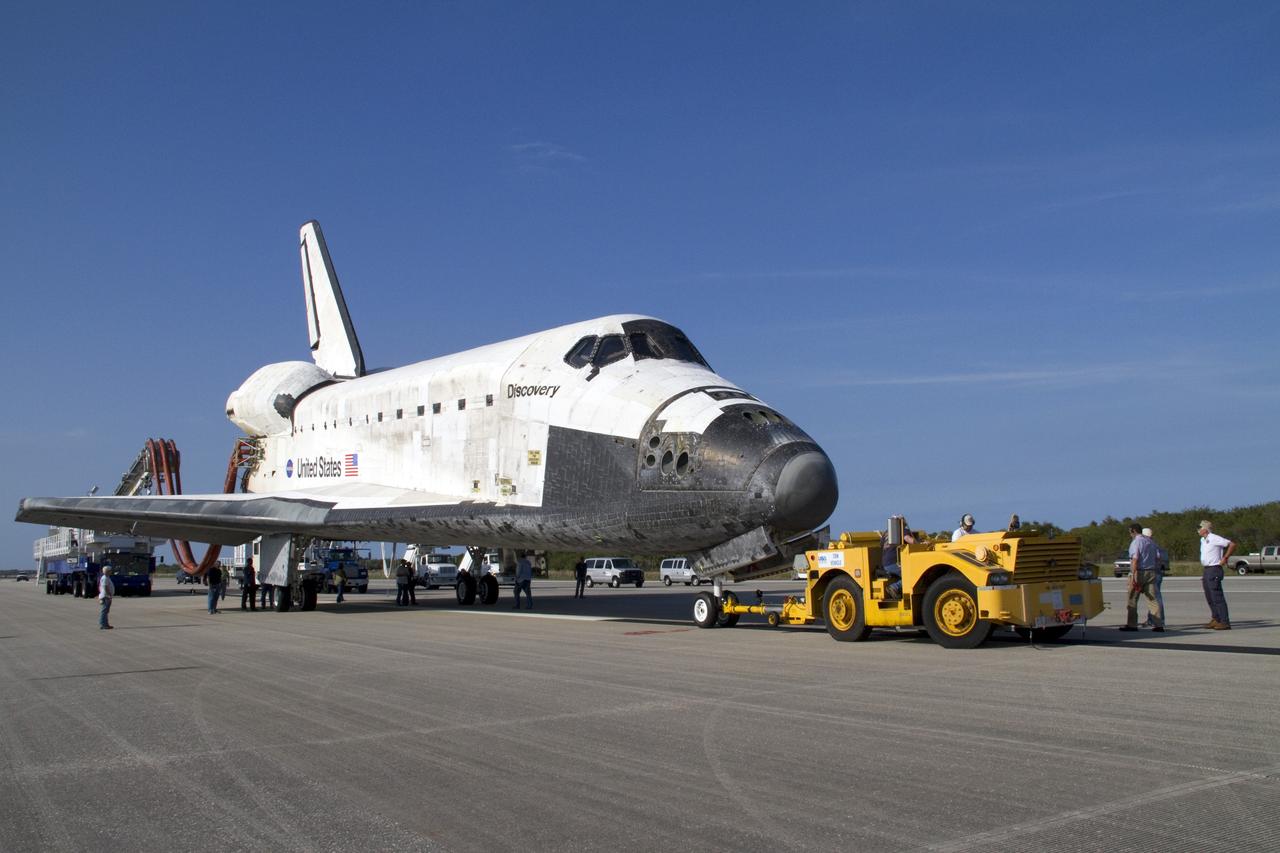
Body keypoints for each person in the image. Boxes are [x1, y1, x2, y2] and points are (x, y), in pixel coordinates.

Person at [1120, 524, 1163, 632]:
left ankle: (1132, 624)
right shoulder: (1151, 542)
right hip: (1151, 572)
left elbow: (1135, 559)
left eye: (1130, 532)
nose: (1130, 534)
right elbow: (1158, 558)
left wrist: (1133, 575)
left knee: (1132, 599)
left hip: (1139, 572)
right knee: (1152, 599)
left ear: (1133, 531)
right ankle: (1158, 624)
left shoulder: (1136, 542)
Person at [1198, 520, 1236, 630]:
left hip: (1214, 568)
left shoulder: (1214, 537)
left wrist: (1225, 558)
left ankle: (1224, 621)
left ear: (1205, 529)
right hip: (1207, 569)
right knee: (1209, 596)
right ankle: (1216, 618)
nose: (1198, 530)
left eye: (1200, 528)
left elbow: (1231, 544)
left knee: (1217, 596)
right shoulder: (1202, 540)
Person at [881, 518, 917, 599]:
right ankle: (895, 587)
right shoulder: (902, 530)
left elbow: (881, 545)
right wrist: (919, 543)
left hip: (885, 564)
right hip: (894, 562)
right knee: (913, 575)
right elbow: (908, 539)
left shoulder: (886, 533)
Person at [1142, 527, 1167, 628]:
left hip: (1153, 572)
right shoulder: (1154, 544)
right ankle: (1151, 618)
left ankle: (1159, 620)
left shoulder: (1149, 545)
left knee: (1156, 597)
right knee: (1152, 597)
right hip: (1157, 571)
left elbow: (1157, 558)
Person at [98, 564, 115, 630]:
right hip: (106, 596)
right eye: (110, 571)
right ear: (107, 571)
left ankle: (105, 624)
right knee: (104, 611)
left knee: (106, 611)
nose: (111, 572)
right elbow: (105, 587)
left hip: (106, 596)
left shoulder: (106, 577)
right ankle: (103, 624)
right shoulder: (105, 578)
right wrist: (109, 594)